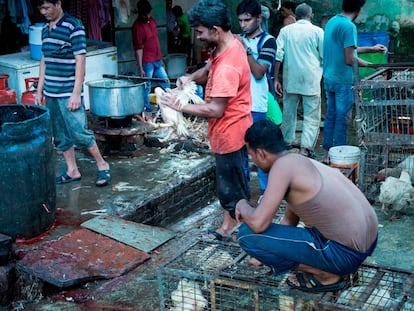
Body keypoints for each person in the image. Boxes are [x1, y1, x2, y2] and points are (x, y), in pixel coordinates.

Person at [235, 119, 378, 293]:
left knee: (245, 234)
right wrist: (265, 252)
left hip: (345, 254)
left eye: (252, 157)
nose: (254, 163)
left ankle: (325, 275)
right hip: (367, 242)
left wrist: (241, 204)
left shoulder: (282, 167)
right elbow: (290, 219)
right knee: (264, 235)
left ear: (261, 153)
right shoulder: (298, 161)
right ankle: (328, 265)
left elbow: (258, 224)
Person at [161, 0, 252, 241]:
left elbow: (215, 109)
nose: (197, 36)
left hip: (230, 134)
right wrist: (190, 77)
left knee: (232, 189)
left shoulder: (228, 66)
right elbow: (208, 68)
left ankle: (238, 232)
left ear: (215, 30)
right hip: (231, 131)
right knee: (230, 185)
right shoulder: (228, 46)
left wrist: (181, 105)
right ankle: (231, 224)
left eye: (200, 32)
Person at [35, 0, 111, 187]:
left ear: (58, 3)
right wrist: (39, 90)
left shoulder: (74, 26)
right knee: (60, 134)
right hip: (51, 93)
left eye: (47, 7)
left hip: (68, 92)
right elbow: (44, 60)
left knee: (79, 133)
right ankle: (72, 170)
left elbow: (80, 61)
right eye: (41, 9)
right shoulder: (45, 29)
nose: (44, 12)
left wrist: (76, 93)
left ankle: (102, 164)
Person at [322, 0, 387, 164]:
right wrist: (372, 65)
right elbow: (349, 58)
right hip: (343, 80)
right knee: (343, 119)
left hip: (329, 77)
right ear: (359, 9)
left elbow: (348, 48)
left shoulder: (333, 21)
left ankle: (327, 154)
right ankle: (340, 156)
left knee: (331, 116)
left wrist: (372, 49)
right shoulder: (349, 27)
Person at [237, 0, 277, 195]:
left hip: (256, 105)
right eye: (240, 21)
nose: (243, 25)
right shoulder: (238, 39)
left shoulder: (268, 41)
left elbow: (260, 71)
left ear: (258, 18)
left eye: (247, 20)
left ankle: (266, 193)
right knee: (240, 152)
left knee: (260, 152)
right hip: (238, 105)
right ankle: (244, 192)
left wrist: (246, 50)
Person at [274, 3, 324, 158]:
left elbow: (278, 56)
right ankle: (305, 148)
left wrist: (276, 78)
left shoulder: (285, 31)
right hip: (311, 79)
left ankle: (287, 143)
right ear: (311, 15)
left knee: (288, 112)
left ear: (295, 15)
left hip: (291, 79)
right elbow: (324, 56)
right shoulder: (318, 31)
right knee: (311, 115)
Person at [132, 0, 170, 113]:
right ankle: (146, 110)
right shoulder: (137, 27)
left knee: (166, 83)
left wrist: (161, 58)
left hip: (157, 59)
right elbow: (138, 48)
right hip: (147, 61)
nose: (148, 15)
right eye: (145, 13)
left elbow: (156, 41)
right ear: (140, 13)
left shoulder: (152, 21)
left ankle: (163, 108)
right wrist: (140, 67)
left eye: (149, 13)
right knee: (146, 87)